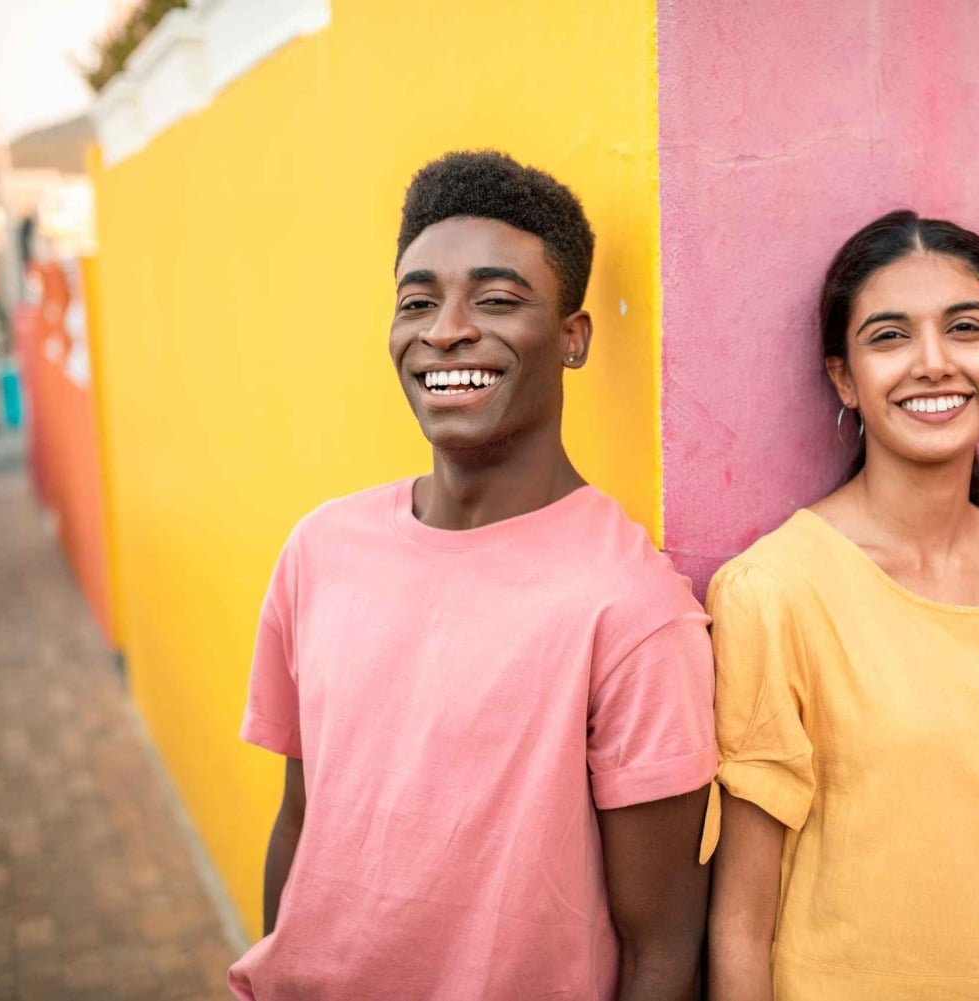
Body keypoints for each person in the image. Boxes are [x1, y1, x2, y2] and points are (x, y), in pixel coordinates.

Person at [229, 150, 717, 1001]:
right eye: (417, 302)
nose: (445, 329)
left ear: (573, 338)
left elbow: (663, 949)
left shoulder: (632, 611)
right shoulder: (320, 551)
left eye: (496, 300)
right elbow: (302, 822)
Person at [705, 210, 979, 1001]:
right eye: (890, 336)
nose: (933, 363)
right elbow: (740, 923)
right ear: (843, 378)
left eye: (964, 328)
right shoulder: (777, 590)